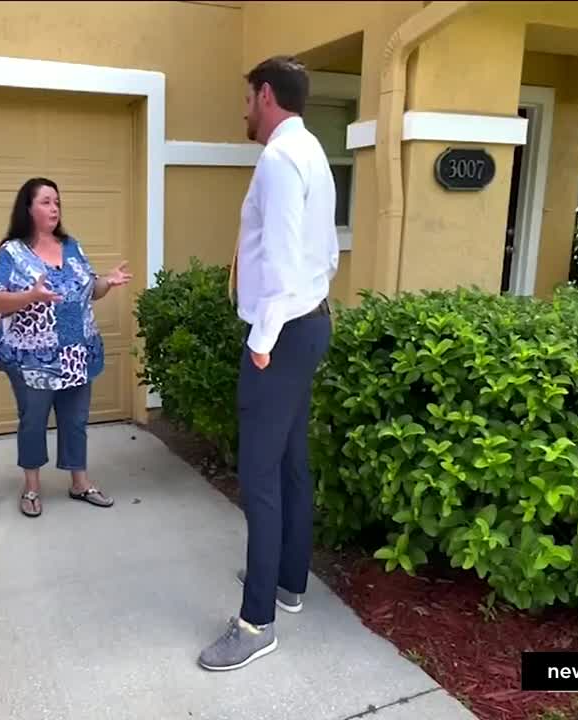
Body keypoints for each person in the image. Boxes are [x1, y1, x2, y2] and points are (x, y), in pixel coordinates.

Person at [198, 56, 339, 671]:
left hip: (281, 335)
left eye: (249, 100)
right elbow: (326, 252)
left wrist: (261, 341)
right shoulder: (312, 151)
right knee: (289, 461)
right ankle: (289, 582)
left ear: (265, 94)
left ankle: (256, 622)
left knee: (258, 474)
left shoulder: (280, 160)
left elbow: (281, 261)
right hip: (309, 324)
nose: (245, 112)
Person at [0, 177, 133, 518]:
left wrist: (106, 283)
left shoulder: (71, 246)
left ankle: (79, 482)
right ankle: (32, 488)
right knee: (33, 420)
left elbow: (90, 290)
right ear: (28, 208)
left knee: (76, 419)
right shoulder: (11, 252)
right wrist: (30, 296)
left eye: (57, 202)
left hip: (76, 351)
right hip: (33, 356)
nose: (54, 208)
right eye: (46, 202)